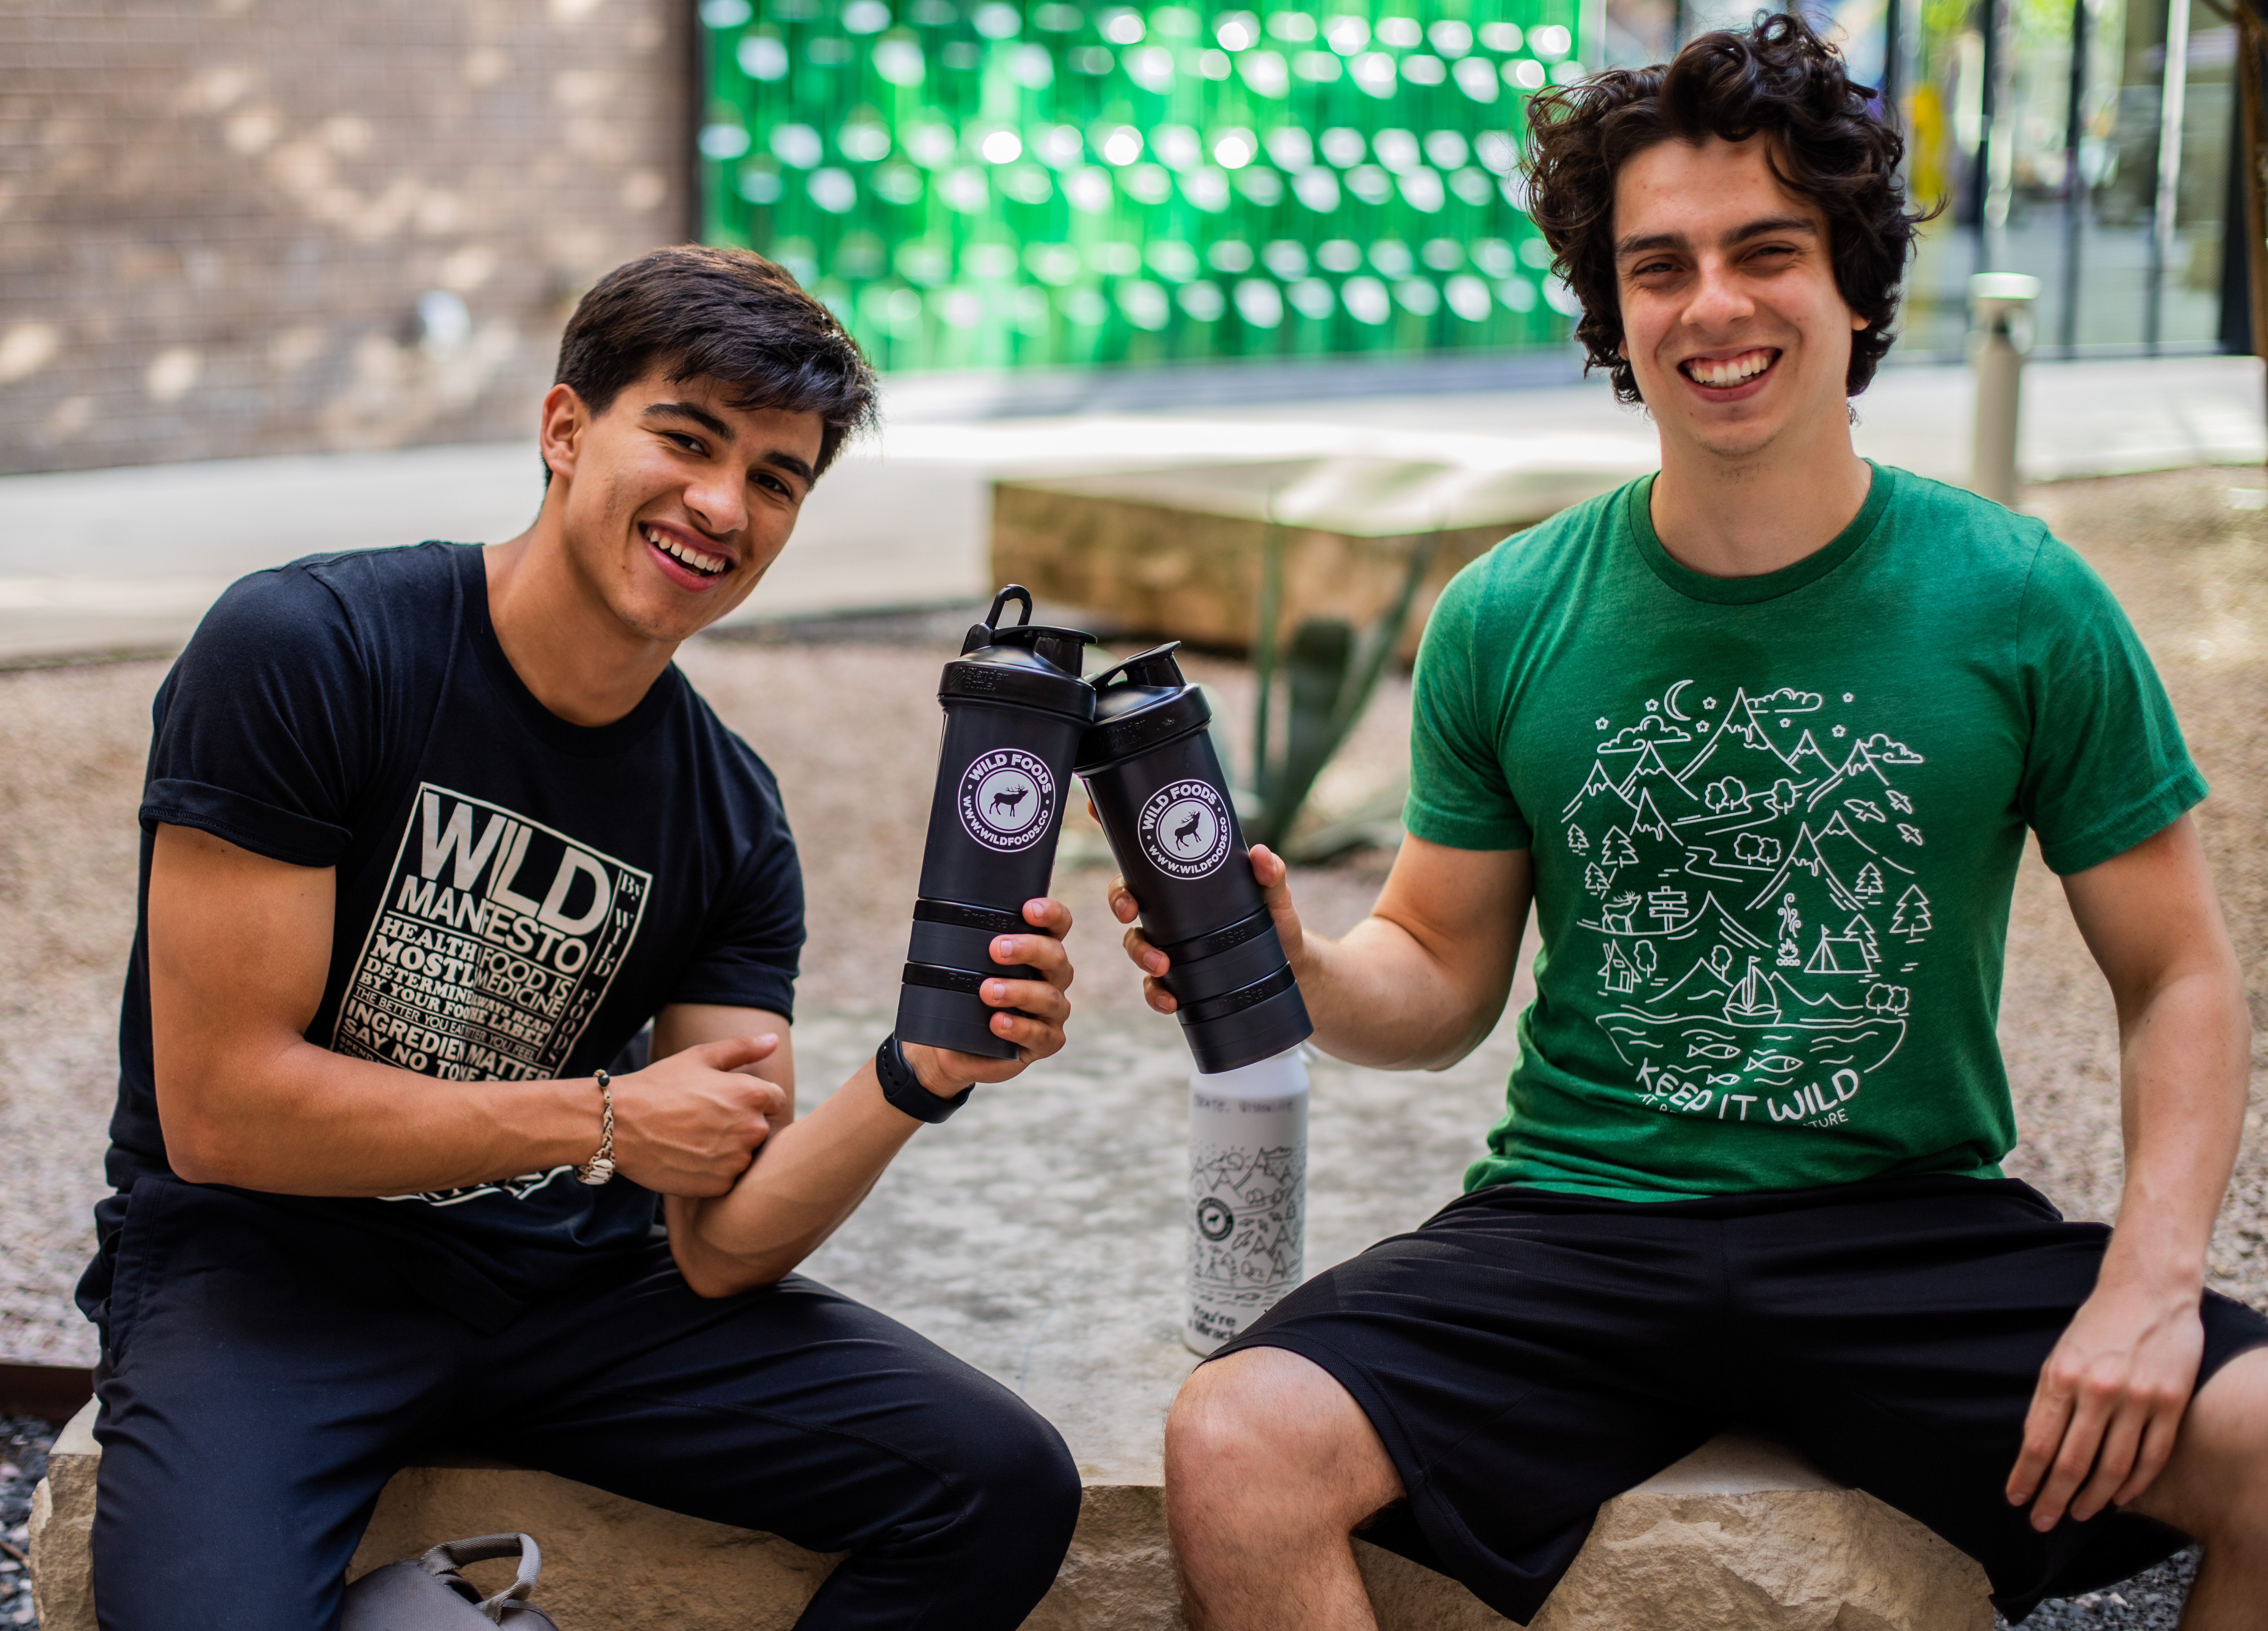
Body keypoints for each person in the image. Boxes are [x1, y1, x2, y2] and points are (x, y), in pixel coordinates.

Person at [1123, 18, 2268, 1629]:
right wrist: (1295, 964)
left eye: (1766, 251)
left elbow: (2180, 976)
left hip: (1902, 1226)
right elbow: (1437, 977)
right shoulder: (1509, 610)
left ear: (1854, 284)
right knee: (1237, 1442)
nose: (1713, 305)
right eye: (1659, 267)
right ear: (1615, 314)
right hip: (1584, 1217)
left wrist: (2152, 1279)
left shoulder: (2021, 597)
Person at [79, 245, 1083, 1631]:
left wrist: (917, 1073)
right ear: (565, 429)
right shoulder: (310, 648)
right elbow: (222, 1111)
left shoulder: (731, 815)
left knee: (999, 1484)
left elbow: (722, 1244)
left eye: (777, 479)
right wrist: (602, 1121)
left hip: (565, 1294)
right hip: (265, 1277)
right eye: (688, 439)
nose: (722, 505)